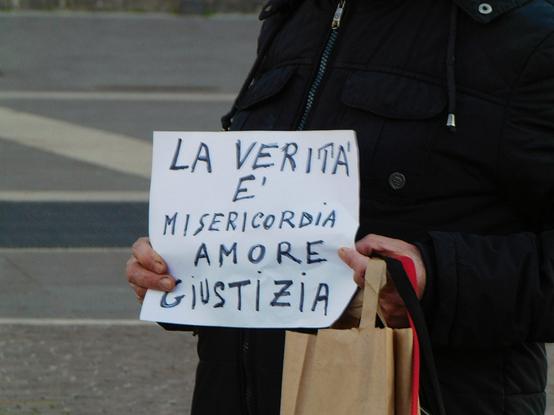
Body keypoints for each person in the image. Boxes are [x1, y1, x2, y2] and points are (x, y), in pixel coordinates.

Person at [125, 0, 554, 413]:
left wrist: (435, 280)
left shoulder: (528, 36)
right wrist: (187, 266)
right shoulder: (298, 15)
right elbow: (268, 226)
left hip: (430, 397)